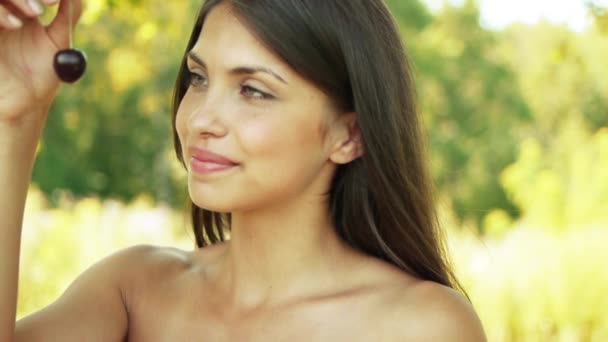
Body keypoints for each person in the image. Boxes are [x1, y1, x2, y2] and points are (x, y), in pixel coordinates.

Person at [1, 0, 487, 340]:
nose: (200, 120)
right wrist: (14, 116)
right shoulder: (133, 290)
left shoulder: (421, 326)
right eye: (198, 78)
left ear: (349, 135)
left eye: (253, 90)